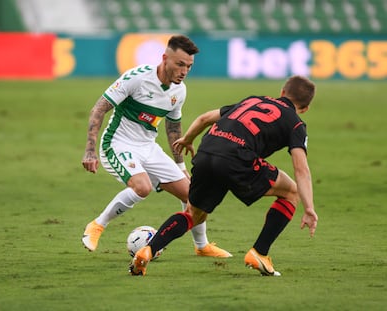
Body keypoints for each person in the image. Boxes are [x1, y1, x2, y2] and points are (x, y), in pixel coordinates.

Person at [130, 75, 319, 276]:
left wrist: (187, 139)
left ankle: (147, 250)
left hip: (207, 151)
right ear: (305, 108)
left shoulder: (252, 100)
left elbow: (204, 118)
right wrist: (309, 208)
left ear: (282, 92)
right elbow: (301, 169)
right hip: (236, 158)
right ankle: (260, 253)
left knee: (193, 214)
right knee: (291, 192)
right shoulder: (296, 124)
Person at [81, 35, 231, 258]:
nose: (184, 71)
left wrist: (180, 165)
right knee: (142, 187)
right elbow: (99, 108)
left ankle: (201, 246)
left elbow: (173, 128)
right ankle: (97, 225)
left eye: (189, 66)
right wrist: (90, 150)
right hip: (118, 144)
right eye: (180, 64)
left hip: (148, 148)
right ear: (165, 59)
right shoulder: (137, 78)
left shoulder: (179, 91)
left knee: (194, 196)